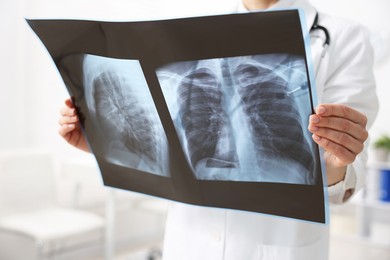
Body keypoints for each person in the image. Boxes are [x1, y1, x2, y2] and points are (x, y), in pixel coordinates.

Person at [58, 0, 379, 259]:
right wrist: (103, 140)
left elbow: (345, 174)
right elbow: (169, 145)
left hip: (278, 247)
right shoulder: (187, 33)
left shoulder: (344, 38)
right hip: (190, 244)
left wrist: (339, 162)